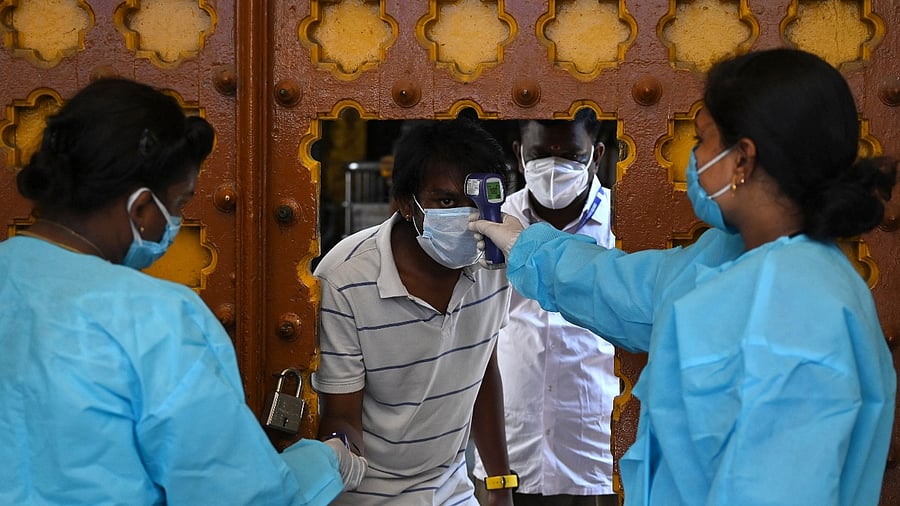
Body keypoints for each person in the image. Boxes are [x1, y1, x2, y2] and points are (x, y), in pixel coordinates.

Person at [470, 48, 897, 505]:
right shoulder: (729, 257)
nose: (694, 158)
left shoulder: (798, 313)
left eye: (704, 140)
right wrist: (526, 246)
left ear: (742, 160)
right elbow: (623, 288)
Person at [0, 78, 364, 505]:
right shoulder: (154, 319)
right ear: (139, 207)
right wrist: (324, 463)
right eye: (176, 205)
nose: (172, 224)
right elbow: (237, 497)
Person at [312, 118, 515, 505]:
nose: (468, 218)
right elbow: (341, 416)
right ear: (407, 203)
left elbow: (483, 369)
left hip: (451, 490)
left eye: (477, 202)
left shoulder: (496, 263)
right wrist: (335, 454)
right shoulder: (344, 279)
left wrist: (500, 484)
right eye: (446, 201)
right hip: (367, 496)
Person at [471, 109, 619, 506]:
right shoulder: (494, 222)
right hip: (511, 439)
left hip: (593, 441)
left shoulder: (623, 224)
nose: (553, 166)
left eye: (570, 154)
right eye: (539, 154)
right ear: (519, 154)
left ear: (597, 154)